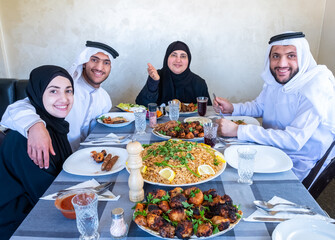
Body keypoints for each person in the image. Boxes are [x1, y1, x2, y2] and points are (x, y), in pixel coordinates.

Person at [214, 32, 335, 182]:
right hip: (270, 150)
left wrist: (238, 130)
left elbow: (293, 141)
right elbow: (259, 106)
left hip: (300, 164)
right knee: (221, 165)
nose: (281, 64)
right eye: (276, 56)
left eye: (291, 55)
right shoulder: (277, 79)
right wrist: (233, 108)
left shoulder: (317, 85)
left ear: (303, 57)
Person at [0, 41, 119, 169]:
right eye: (94, 60)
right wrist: (35, 126)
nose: (100, 67)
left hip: (85, 160)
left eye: (106, 63)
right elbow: (18, 107)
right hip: (53, 161)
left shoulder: (105, 98)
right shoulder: (65, 88)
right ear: (84, 62)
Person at [0, 65, 74, 239]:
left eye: (68, 91)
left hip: (43, 201)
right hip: (20, 222)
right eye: (53, 91)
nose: (64, 99)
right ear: (37, 93)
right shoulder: (27, 139)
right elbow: (49, 196)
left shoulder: (54, 125)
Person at [136, 40, 212, 106]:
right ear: (167, 58)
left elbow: (207, 112)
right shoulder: (156, 76)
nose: (178, 60)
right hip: (159, 123)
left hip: (191, 123)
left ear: (188, 60)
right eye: (174, 55)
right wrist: (153, 83)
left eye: (183, 56)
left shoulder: (199, 83)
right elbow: (141, 106)